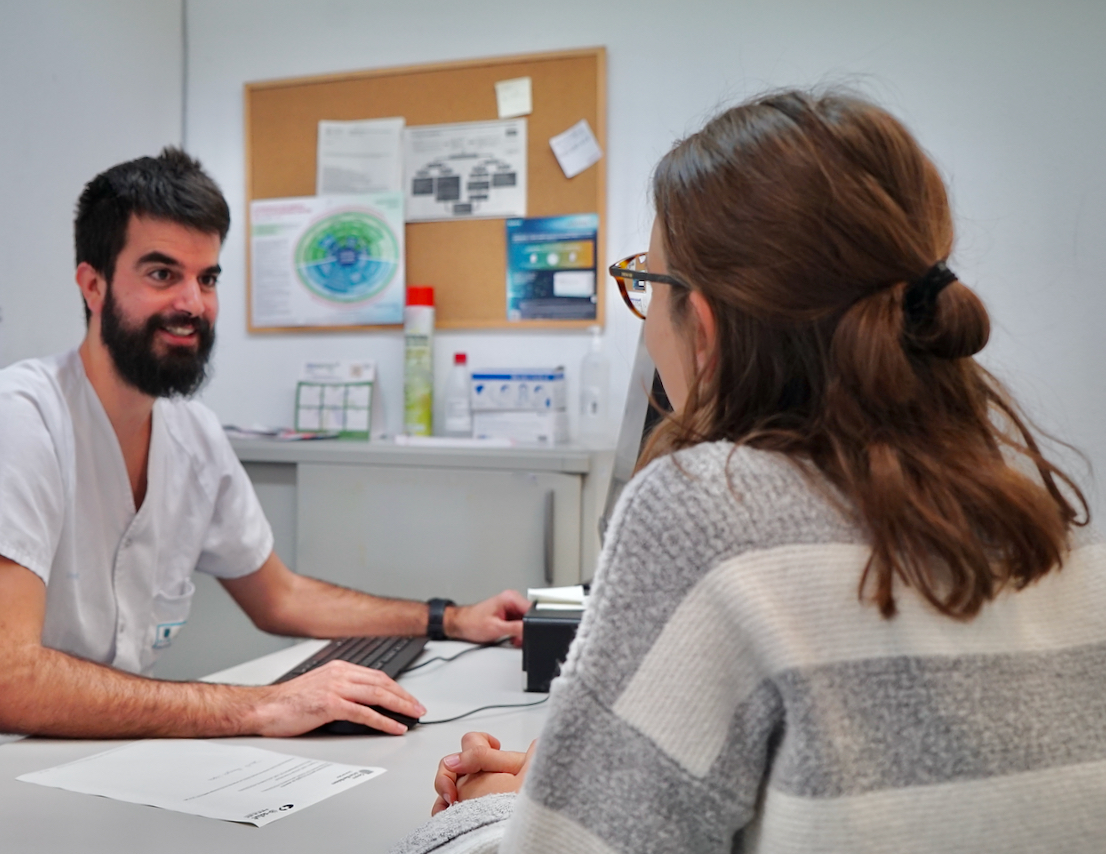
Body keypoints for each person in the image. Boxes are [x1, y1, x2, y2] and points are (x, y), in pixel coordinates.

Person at [394, 89, 1106, 853]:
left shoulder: (708, 507)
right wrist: (576, 778)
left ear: (700, 325)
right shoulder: (1034, 512)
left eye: (647, 284)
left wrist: (497, 806)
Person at [0, 148, 529, 783]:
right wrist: (261, 706)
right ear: (92, 285)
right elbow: (3, 687)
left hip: (94, 757)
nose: (193, 303)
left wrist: (450, 618)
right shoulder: (12, 418)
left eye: (206, 277)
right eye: (162, 274)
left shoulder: (190, 433)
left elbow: (281, 597)